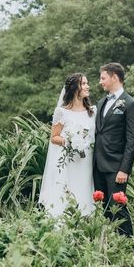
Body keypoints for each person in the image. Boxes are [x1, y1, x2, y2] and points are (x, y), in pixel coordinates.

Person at [93, 62, 134, 236]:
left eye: (103, 78)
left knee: (118, 208)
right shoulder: (100, 103)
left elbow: (132, 140)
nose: (100, 82)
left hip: (116, 167)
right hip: (98, 164)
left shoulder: (131, 104)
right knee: (105, 209)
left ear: (114, 77)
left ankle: (127, 245)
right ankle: (110, 246)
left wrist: (124, 169)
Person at [38, 73, 96, 217]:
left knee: (85, 189)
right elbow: (54, 137)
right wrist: (68, 141)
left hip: (86, 161)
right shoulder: (62, 112)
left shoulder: (92, 111)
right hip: (69, 161)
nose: (87, 86)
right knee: (68, 190)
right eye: (83, 84)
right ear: (74, 88)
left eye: (87, 83)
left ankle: (86, 221)